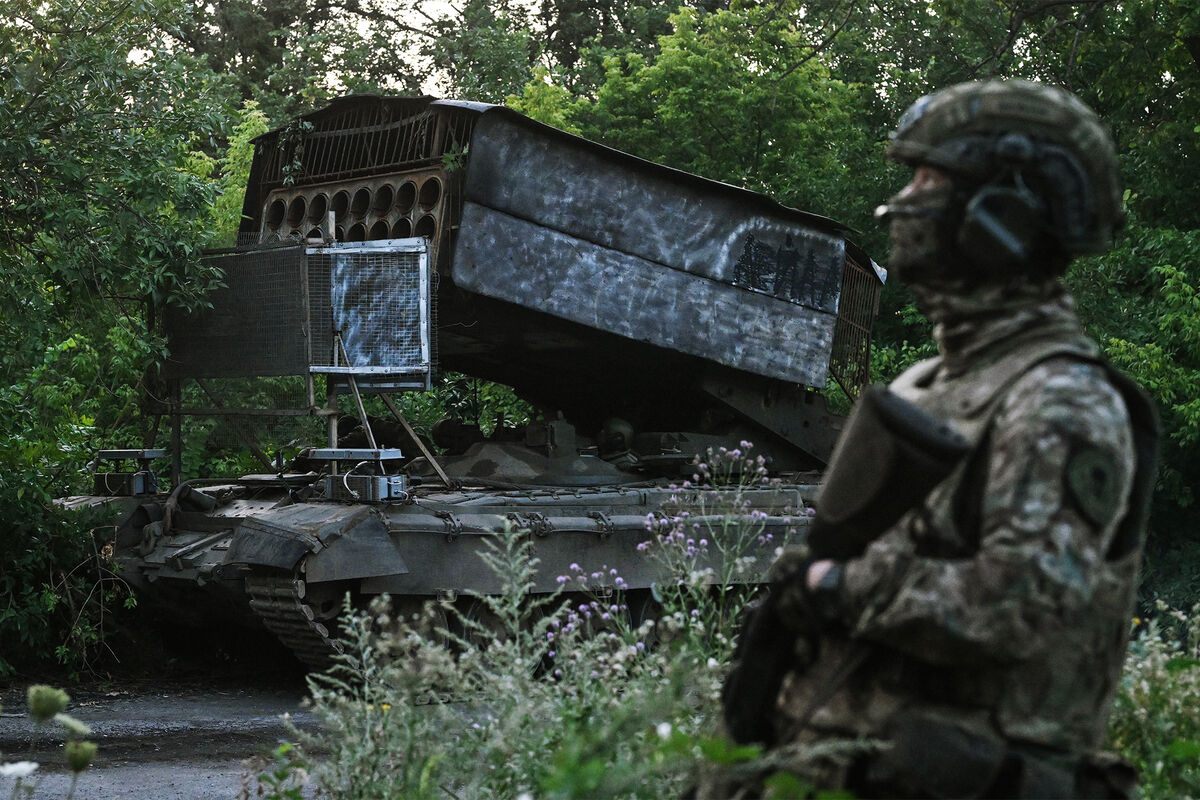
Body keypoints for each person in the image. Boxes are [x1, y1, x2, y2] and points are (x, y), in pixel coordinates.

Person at [701, 80, 1159, 799]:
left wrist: (833, 586)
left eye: (930, 178)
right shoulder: (925, 381)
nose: (905, 200)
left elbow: (1012, 607)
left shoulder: (1060, 401)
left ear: (1001, 216)